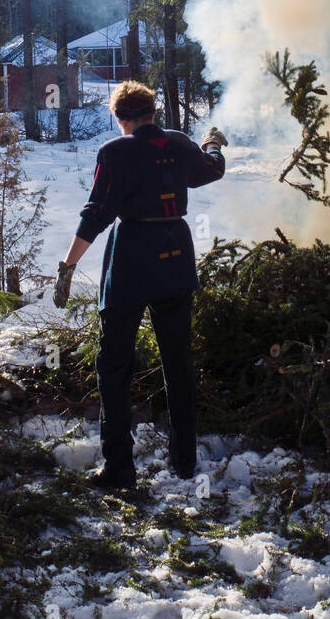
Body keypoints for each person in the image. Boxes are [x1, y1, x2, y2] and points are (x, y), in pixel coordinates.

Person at [53, 80, 227, 489]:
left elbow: (97, 213)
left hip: (131, 258)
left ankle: (119, 470)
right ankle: (184, 462)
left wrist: (68, 265)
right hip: (175, 256)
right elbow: (211, 170)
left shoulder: (115, 152)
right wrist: (213, 144)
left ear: (120, 118)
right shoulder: (181, 143)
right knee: (178, 361)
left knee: (114, 365)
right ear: (152, 112)